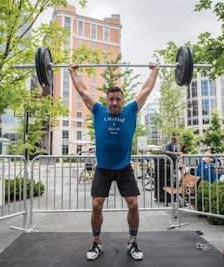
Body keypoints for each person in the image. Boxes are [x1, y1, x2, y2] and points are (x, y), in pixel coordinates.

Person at [68, 62, 159, 261]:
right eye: (111, 99)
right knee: (96, 205)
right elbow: (83, 91)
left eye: (118, 99)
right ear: (106, 100)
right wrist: (72, 71)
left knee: (133, 204)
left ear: (122, 100)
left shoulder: (130, 111)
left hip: (124, 167)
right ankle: (96, 242)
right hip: (104, 168)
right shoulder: (99, 111)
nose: (114, 103)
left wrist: (155, 71)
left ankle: (132, 242)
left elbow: (146, 90)